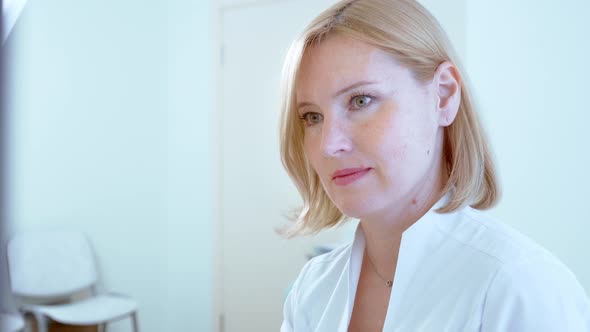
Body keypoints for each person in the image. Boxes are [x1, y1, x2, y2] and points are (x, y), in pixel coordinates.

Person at [277, 0, 590, 331]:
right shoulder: (312, 290)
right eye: (312, 117)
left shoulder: (519, 286)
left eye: (360, 101)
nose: (329, 144)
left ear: (443, 95)